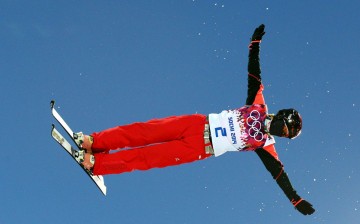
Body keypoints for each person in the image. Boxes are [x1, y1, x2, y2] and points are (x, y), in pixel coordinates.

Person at [75, 24, 315, 215]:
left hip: (199, 147)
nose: (280, 132)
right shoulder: (258, 104)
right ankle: (94, 142)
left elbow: (279, 175)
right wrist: (254, 45)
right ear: (282, 115)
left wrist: (295, 199)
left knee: (146, 158)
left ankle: (97, 164)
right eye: (284, 127)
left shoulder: (265, 145)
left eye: (285, 134)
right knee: (143, 131)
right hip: (197, 123)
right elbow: (254, 73)